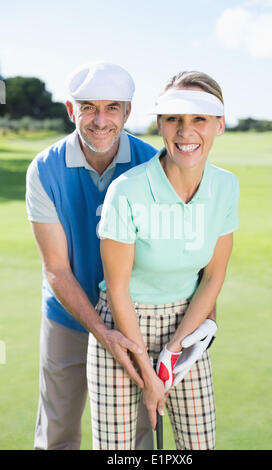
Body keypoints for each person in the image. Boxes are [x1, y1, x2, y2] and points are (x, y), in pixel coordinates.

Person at [87, 71, 240, 450]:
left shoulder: (226, 186)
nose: (186, 132)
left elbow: (212, 277)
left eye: (199, 119)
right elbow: (118, 288)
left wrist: (173, 352)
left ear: (219, 124)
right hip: (122, 330)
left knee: (199, 446)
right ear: (160, 124)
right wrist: (149, 375)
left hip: (185, 326)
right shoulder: (127, 190)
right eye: (174, 118)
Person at [25, 61, 159, 450]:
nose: (100, 120)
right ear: (71, 111)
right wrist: (102, 333)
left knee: (137, 435)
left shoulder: (152, 165)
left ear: (128, 112)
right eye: (88, 107)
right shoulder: (44, 169)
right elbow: (56, 269)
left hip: (134, 319)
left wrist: (124, 329)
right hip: (66, 316)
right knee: (57, 431)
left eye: (112, 108)